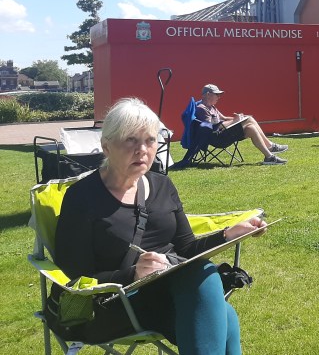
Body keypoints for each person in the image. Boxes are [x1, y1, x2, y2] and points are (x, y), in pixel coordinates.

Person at [54, 98, 268, 353]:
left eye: (150, 140)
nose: (142, 149)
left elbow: (186, 249)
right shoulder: (82, 197)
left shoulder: (162, 186)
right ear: (106, 146)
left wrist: (227, 234)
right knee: (217, 303)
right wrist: (133, 274)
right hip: (109, 305)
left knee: (209, 287)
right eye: (131, 140)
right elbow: (75, 277)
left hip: (165, 293)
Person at [195, 84, 287, 165]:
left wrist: (238, 118)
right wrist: (235, 121)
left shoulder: (212, 107)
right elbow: (212, 127)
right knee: (249, 119)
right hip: (217, 139)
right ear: (208, 94)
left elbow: (224, 118)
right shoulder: (201, 109)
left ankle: (269, 157)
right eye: (217, 94)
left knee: (250, 127)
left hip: (223, 134)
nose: (219, 97)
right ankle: (270, 146)